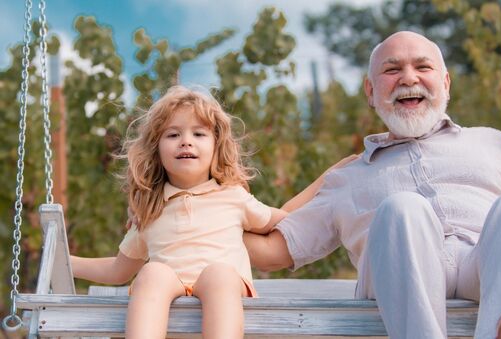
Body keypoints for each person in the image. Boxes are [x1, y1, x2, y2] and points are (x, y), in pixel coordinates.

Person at [244, 31, 501, 339]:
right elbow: (271, 254)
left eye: (423, 67)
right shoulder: (348, 177)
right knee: (401, 208)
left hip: (486, 267)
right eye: (392, 70)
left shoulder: (492, 143)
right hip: (400, 286)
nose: (409, 78)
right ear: (370, 90)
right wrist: (198, 208)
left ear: (446, 83)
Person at [69, 86, 330, 339]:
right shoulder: (149, 210)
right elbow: (118, 270)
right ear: (157, 152)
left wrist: (329, 181)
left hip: (223, 291)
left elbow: (286, 220)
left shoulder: (233, 197)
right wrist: (68, 263)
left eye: (199, 134)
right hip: (168, 291)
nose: (185, 141)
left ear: (216, 147)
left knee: (219, 273)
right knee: (152, 273)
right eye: (173, 135)